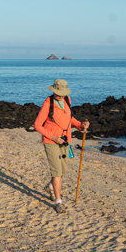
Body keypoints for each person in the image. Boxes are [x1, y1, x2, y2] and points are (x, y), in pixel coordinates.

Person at [34, 79, 89, 213]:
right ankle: (58, 202)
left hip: (65, 140)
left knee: (63, 171)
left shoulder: (67, 100)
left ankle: (50, 186)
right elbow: (37, 125)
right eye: (58, 93)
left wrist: (80, 125)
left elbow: (68, 118)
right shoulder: (48, 103)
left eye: (62, 94)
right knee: (57, 172)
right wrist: (53, 137)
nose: (60, 96)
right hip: (51, 141)